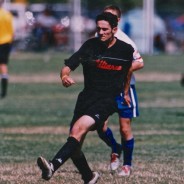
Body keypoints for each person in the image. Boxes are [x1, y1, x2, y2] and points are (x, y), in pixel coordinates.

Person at [37, 12, 134, 183]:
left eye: (105, 29)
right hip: (86, 98)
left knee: (77, 130)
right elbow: (68, 66)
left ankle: (52, 166)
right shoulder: (90, 46)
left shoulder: (125, 50)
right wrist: (64, 77)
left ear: (114, 29)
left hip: (106, 101)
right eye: (98, 29)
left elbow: (127, 74)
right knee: (74, 147)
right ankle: (89, 177)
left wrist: (125, 93)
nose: (101, 32)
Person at [96, 5, 144, 176]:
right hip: (105, 90)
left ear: (117, 21)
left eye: (111, 17)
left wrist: (123, 69)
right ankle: (115, 147)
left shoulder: (126, 41)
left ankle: (127, 166)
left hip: (125, 89)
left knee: (125, 128)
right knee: (99, 126)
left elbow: (140, 62)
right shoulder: (98, 36)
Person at [0, 0, 14, 98]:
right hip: (5, 42)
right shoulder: (7, 14)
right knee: (3, 65)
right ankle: (4, 92)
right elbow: (11, 31)